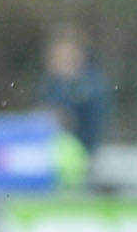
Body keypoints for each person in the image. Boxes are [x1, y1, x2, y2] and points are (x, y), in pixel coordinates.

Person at [38, 23, 109, 156]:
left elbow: (81, 123)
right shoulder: (53, 84)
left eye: (66, 59)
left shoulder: (88, 86)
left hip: (81, 152)